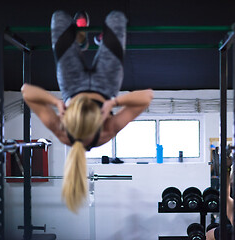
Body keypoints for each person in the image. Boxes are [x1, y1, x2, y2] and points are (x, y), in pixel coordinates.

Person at [21, 10, 153, 213]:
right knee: (116, 18)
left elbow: (26, 91)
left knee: (59, 18)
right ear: (99, 121)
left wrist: (56, 103)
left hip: (71, 83)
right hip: (106, 84)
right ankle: (99, 42)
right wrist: (114, 102)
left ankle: (80, 41)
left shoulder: (63, 132)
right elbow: (146, 97)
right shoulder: (106, 132)